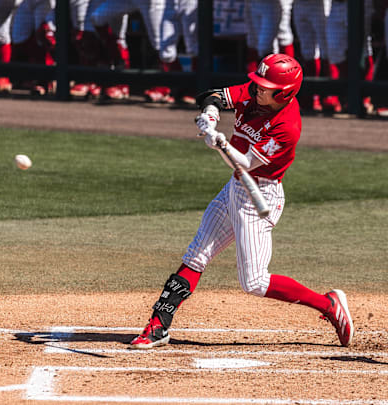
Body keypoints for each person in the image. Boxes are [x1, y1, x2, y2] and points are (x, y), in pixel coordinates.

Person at [129, 53, 354, 350]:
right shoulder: (254, 94)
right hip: (235, 189)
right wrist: (210, 116)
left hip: (259, 195)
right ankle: (157, 327)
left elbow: (246, 162)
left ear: (284, 92)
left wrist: (220, 142)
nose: (257, 89)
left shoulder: (287, 126)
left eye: (266, 86)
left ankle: (328, 305)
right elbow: (212, 96)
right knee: (196, 255)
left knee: (255, 282)